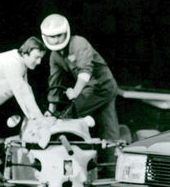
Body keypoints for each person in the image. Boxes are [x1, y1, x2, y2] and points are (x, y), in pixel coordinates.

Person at [40, 13, 120, 143]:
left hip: (102, 87)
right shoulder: (55, 56)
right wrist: (51, 110)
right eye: (51, 37)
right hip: (88, 90)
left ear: (66, 32)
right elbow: (55, 81)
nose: (55, 40)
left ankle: (111, 159)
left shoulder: (79, 43)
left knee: (72, 115)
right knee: (103, 125)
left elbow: (85, 72)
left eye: (58, 36)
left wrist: (75, 92)